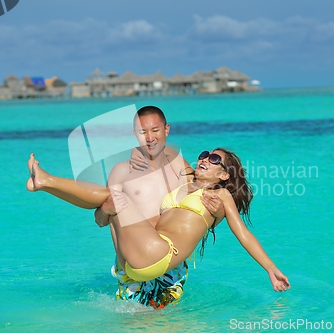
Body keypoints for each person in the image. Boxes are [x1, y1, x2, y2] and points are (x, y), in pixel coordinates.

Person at [26, 146, 290, 292]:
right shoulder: (186, 179)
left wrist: (270, 268)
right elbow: (166, 149)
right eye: (203, 154)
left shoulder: (220, 196)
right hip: (135, 259)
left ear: (224, 175)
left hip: (160, 255)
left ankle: (47, 180)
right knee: (110, 200)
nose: (205, 159)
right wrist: (138, 153)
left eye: (214, 159)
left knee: (115, 197)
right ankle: (46, 185)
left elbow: (242, 233)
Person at [93, 106, 225, 308]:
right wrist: (106, 209)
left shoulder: (179, 166)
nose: (150, 138)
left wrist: (218, 213)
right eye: (142, 132)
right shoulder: (121, 171)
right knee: (132, 321)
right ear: (134, 135)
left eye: (155, 130)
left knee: (167, 322)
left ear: (166, 130)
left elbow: (206, 192)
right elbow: (101, 220)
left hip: (170, 261)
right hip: (135, 257)